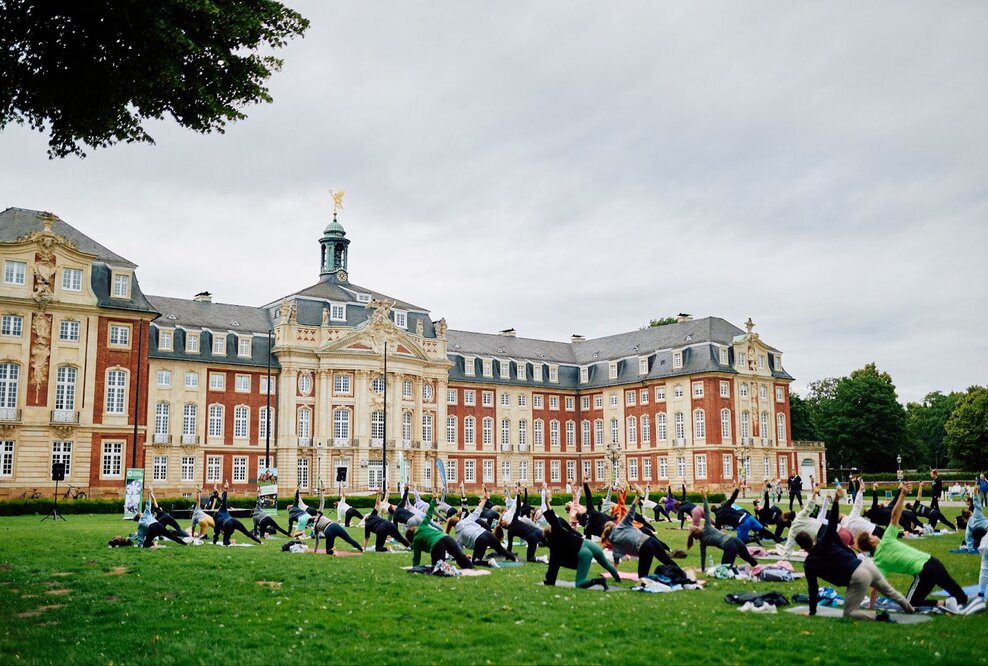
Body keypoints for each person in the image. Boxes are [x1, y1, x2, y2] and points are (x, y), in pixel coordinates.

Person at [796, 488, 914, 620]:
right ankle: (910, 609)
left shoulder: (809, 564)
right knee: (890, 592)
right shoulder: (823, 542)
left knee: (849, 613)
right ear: (812, 539)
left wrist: (812, 612)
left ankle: (879, 617)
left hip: (857, 577)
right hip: (867, 566)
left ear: (801, 547)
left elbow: (813, 589)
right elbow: (831, 524)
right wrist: (835, 501)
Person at [857, 482, 972, 613]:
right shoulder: (887, 539)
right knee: (962, 599)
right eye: (872, 536)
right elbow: (895, 516)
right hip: (934, 563)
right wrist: (903, 493)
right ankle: (957, 601)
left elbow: (875, 588)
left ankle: (945, 603)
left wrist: (871, 606)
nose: (875, 535)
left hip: (925, 572)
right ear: (872, 541)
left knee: (910, 604)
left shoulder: (879, 561)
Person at [601, 485, 685, 580]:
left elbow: (616, 560)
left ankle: (676, 576)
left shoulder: (614, 541)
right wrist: (637, 496)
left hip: (645, 547)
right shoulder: (621, 525)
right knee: (667, 560)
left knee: (642, 577)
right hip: (650, 540)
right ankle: (683, 575)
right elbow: (631, 510)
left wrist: (616, 576)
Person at [543, 507, 622, 589]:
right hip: (589, 544)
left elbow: (552, 567)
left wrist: (550, 581)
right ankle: (617, 578)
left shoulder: (555, 545)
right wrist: (547, 503)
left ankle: (599, 581)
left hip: (584, 553)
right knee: (606, 563)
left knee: (580, 583)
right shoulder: (563, 532)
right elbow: (554, 520)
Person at [686, 491, 758, 569]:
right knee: (750, 559)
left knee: (724, 569)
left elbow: (703, 557)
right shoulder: (707, 527)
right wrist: (704, 498)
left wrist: (703, 569)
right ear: (698, 529)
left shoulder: (703, 542)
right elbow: (706, 512)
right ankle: (760, 570)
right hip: (736, 540)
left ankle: (740, 570)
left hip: (729, 545)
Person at [447, 487, 516, 565]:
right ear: (458, 520)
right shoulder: (467, 519)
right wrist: (485, 499)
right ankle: (514, 559)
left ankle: (489, 563)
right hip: (487, 533)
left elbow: (459, 552)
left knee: (475, 561)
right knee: (500, 549)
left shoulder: (458, 536)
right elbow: (478, 509)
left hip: (480, 539)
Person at [407, 499, 473, 570]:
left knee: (438, 567)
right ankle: (470, 567)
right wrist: (433, 500)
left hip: (436, 544)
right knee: (460, 557)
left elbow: (417, 557)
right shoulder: (422, 525)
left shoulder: (416, 539)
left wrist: (415, 568)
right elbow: (429, 514)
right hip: (446, 538)